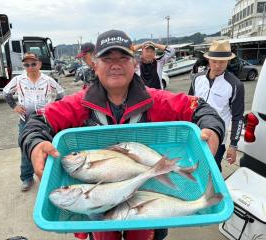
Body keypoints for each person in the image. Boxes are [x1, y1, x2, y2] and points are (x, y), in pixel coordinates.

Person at [20, 30, 225, 240]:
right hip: (98, 205)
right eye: (107, 58)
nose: (115, 64)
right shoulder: (78, 104)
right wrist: (35, 143)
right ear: (95, 64)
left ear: (134, 63)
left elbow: (198, 107)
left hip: (146, 198)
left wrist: (212, 128)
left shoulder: (155, 99)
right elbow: (37, 121)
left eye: (123, 57)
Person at [3, 52, 64, 192]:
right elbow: (6, 93)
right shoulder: (18, 80)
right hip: (26, 121)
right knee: (26, 150)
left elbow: (61, 94)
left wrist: (53, 108)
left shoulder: (48, 80)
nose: (30, 67)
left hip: (45, 121)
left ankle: (50, 175)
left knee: (48, 148)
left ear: (39, 64)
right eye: (26, 64)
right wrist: (15, 106)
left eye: (33, 64)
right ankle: (26, 178)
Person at [188, 40, 245, 172]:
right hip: (196, 134)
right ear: (208, 60)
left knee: (211, 170)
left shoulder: (235, 85)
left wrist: (233, 145)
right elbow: (189, 104)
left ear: (228, 62)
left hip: (217, 138)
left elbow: (238, 117)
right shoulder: (197, 78)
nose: (218, 66)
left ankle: (214, 192)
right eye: (214, 61)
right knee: (193, 166)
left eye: (222, 62)